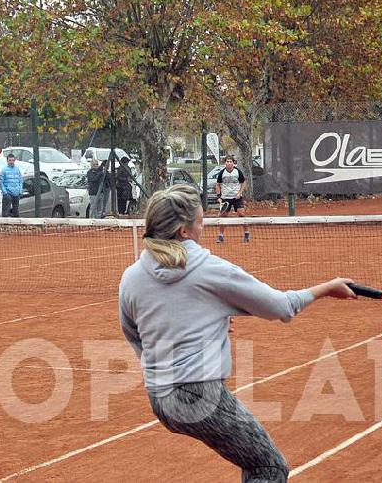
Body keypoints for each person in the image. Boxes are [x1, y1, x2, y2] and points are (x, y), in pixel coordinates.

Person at [119, 184, 356, 482]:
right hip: (200, 397)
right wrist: (327, 288)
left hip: (160, 399)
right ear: (183, 231)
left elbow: (133, 331)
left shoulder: (131, 277)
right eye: (200, 223)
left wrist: (195, 333)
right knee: (268, 469)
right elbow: (281, 307)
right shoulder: (211, 270)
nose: (202, 229)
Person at [214, 155, 251, 244]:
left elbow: (243, 183)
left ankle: (246, 233)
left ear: (233, 163)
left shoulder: (238, 172)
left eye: (231, 162)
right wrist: (219, 197)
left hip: (237, 198)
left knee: (241, 214)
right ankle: (221, 236)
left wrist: (239, 193)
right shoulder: (222, 173)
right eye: (227, 161)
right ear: (225, 163)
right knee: (223, 217)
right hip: (225, 198)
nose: (229, 163)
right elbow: (218, 185)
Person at [0, 153, 24, 217]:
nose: (11, 162)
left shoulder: (17, 169)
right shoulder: (4, 170)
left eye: (13, 160)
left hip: (16, 193)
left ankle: (16, 225)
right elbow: (0, 182)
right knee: (6, 211)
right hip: (8, 193)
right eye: (10, 160)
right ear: (7, 161)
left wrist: (20, 190)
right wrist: (5, 192)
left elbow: (20, 180)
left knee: (16, 211)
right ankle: (5, 225)